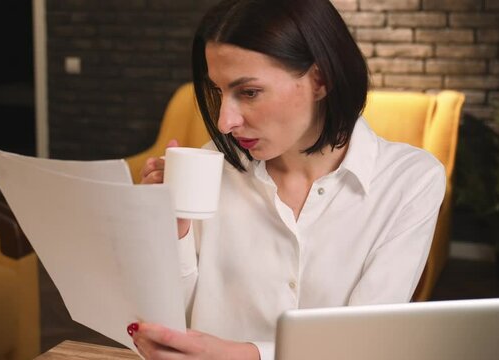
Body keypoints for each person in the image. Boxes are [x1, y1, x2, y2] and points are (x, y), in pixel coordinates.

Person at [129, 0, 446, 359]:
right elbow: (171, 325)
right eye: (218, 92)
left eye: (248, 92)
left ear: (319, 79)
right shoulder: (208, 169)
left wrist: (247, 355)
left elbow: (364, 343)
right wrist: (172, 231)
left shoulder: (409, 180)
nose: (224, 122)